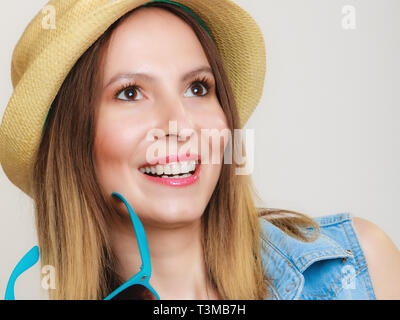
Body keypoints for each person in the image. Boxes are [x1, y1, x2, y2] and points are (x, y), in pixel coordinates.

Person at [1, 0, 399, 300]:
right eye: (130, 93)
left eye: (198, 88)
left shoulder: (360, 269)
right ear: (71, 143)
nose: (181, 124)